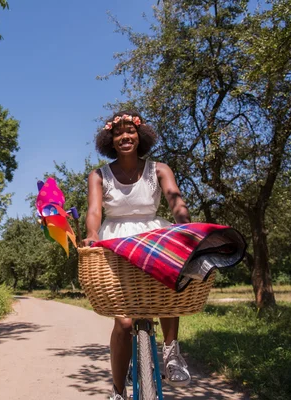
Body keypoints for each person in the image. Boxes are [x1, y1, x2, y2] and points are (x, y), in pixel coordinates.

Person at [83, 110, 191, 400]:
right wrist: (92, 236)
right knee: (124, 322)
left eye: (130, 131)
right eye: (117, 133)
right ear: (110, 139)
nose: (124, 136)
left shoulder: (159, 169)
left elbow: (175, 200)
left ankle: (171, 352)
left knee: (170, 288)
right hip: (115, 241)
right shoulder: (99, 175)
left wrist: (185, 226)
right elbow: (94, 212)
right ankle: (117, 392)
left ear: (140, 136)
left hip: (153, 235)